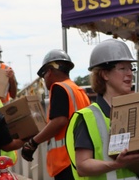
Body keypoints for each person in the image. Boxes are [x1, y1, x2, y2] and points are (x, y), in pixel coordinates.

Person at [65, 39, 139, 179]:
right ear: (104, 74)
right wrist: (116, 164)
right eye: (122, 68)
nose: (129, 73)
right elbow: (83, 166)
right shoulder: (88, 117)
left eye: (131, 68)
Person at [21, 49, 90, 180]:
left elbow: (59, 121)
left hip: (65, 161)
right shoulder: (79, 91)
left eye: (44, 75)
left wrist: (33, 143)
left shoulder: (59, 88)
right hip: (81, 158)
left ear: (49, 71)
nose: (45, 80)